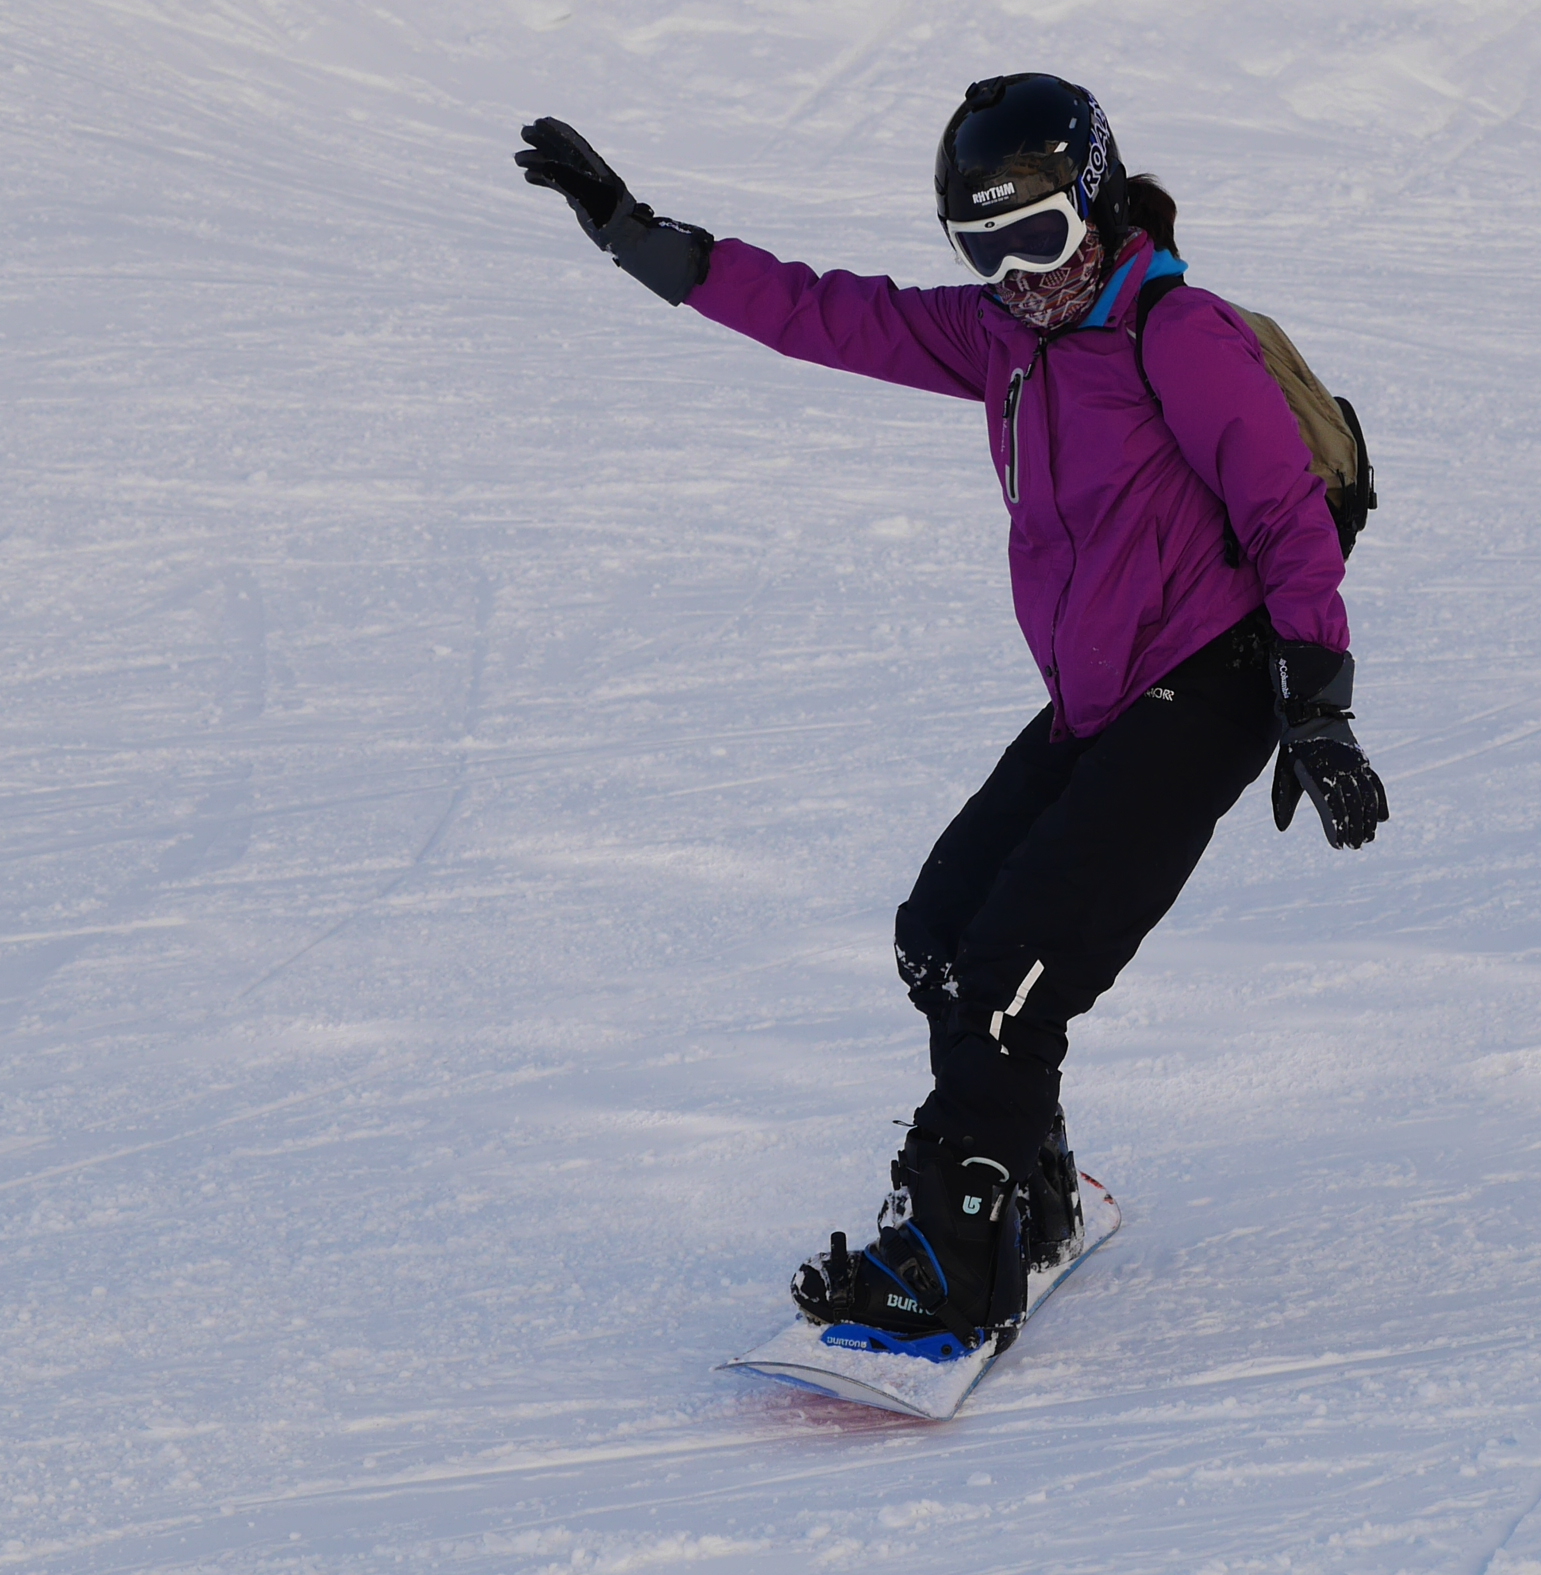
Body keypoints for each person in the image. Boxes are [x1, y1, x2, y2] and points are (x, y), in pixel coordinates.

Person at [514, 73, 1385, 1353]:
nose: (1017, 277)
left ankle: (956, 1261)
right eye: (984, 251)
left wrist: (1316, 707)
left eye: (1036, 236)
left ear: (1095, 204)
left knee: (1009, 982)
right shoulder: (1001, 341)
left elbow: (1282, 516)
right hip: (1098, 698)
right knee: (940, 937)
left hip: (1204, 689)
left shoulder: (1178, 337)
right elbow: (821, 312)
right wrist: (641, 240)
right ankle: (1030, 1185)